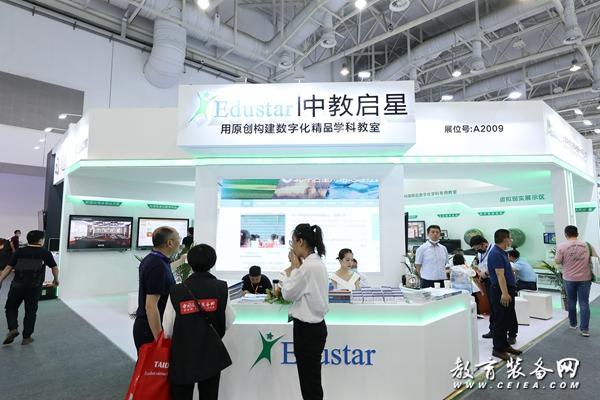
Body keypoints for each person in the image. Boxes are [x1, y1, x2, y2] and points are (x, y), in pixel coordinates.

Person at [163, 244, 235, 400]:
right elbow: (229, 320)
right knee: (209, 395)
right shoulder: (221, 288)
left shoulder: (177, 291)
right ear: (213, 262)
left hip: (182, 355)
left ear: (189, 262)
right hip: (210, 353)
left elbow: (167, 328)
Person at [279, 223, 329, 400]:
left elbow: (288, 293)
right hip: (316, 328)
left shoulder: (307, 267)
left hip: (307, 331)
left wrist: (294, 267)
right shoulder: (316, 263)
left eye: (292, 242)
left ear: (300, 241)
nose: (292, 246)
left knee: (309, 383)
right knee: (312, 380)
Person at [0, 230, 59, 345]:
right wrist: (56, 279)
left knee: (11, 307)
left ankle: (13, 328)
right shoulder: (45, 252)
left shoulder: (20, 251)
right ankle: (26, 337)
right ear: (40, 240)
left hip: (17, 285)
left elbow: (8, 267)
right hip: (34, 287)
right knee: (31, 311)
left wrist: (1, 279)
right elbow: (54, 268)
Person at [132, 226, 180, 352]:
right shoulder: (158, 266)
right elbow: (151, 306)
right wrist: (159, 338)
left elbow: (166, 272)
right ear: (170, 243)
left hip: (147, 325)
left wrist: (182, 261)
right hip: (149, 329)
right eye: (178, 238)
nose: (180, 241)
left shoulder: (154, 259)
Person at [555, 225, 597, 337]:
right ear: (577, 234)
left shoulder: (561, 246)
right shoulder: (587, 245)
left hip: (569, 278)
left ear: (566, 234)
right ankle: (585, 329)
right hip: (585, 278)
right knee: (584, 303)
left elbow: (557, 261)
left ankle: (573, 324)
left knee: (571, 301)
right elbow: (596, 258)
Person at [487, 229, 521, 361]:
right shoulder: (496, 253)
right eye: (510, 238)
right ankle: (498, 349)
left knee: (506, 318)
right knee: (500, 320)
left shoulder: (502, 252)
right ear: (505, 239)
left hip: (507, 289)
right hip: (500, 291)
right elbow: (499, 275)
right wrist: (505, 293)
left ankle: (505, 345)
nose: (511, 240)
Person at [470, 235, 496, 339]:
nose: (477, 251)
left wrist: (485, 274)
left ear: (483, 244)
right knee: (492, 306)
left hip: (494, 280)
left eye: (477, 248)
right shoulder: (481, 252)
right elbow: (482, 264)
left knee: (496, 307)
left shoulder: (493, 249)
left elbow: (496, 267)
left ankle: (498, 330)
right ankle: (493, 329)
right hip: (486, 280)